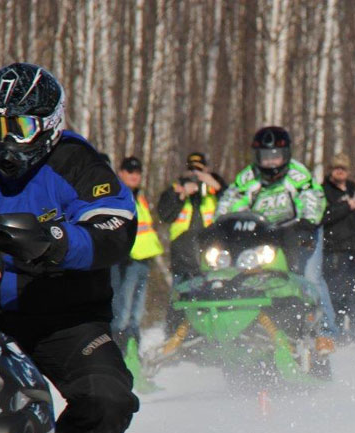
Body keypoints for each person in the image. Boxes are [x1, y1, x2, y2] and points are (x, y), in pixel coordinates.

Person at [0, 62, 140, 433]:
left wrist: (58, 241)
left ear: (49, 124)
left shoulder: (77, 162)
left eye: (19, 127)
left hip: (63, 316)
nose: (4, 140)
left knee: (108, 398)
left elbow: (115, 222)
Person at [215, 126, 335, 352]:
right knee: (249, 276)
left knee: (310, 276)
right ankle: (251, 327)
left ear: (286, 155)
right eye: (265, 156)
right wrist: (220, 226)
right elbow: (230, 201)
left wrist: (307, 223)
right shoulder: (248, 177)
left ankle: (324, 332)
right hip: (265, 235)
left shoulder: (297, 175)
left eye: (276, 156)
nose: (271, 162)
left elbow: (313, 198)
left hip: (299, 229)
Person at [321, 152, 355, 344]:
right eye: (337, 168)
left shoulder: (354, 189)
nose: (340, 171)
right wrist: (346, 206)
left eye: (343, 168)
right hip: (336, 249)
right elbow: (323, 217)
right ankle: (338, 333)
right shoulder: (324, 191)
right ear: (331, 170)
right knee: (337, 293)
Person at [111, 156, 162, 346]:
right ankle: (119, 349)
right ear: (121, 173)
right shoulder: (117, 195)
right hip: (127, 260)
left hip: (143, 258)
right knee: (122, 310)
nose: (134, 176)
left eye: (138, 172)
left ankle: (133, 351)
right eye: (130, 171)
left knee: (136, 313)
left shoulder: (139, 197)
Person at [156, 152, 226, 285]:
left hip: (211, 257)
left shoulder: (213, 189)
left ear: (206, 170)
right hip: (183, 260)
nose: (195, 174)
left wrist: (215, 185)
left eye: (199, 170)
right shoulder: (176, 189)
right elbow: (164, 215)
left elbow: (233, 204)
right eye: (191, 170)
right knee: (181, 294)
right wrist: (181, 195)